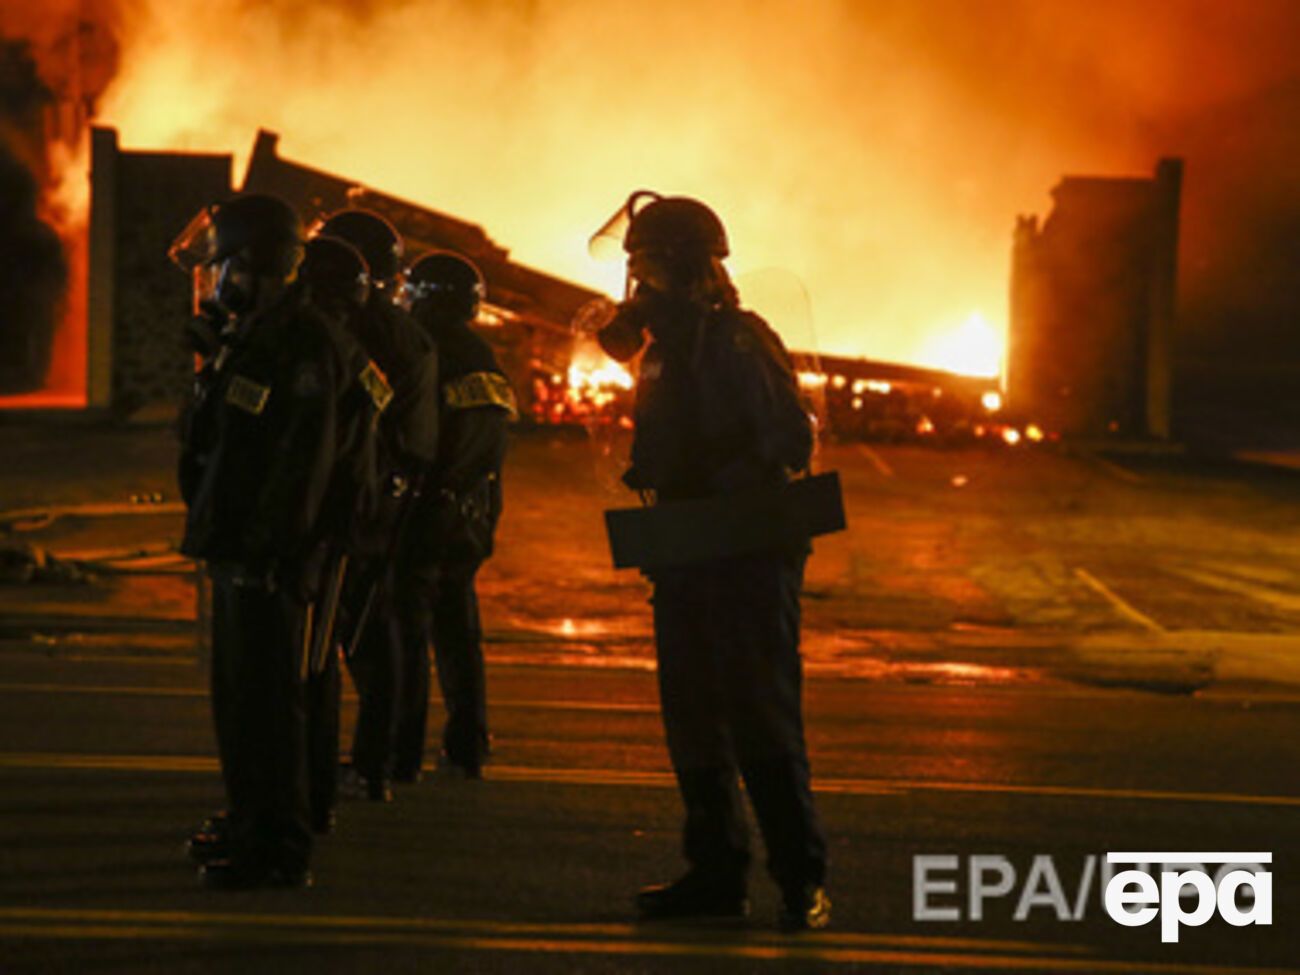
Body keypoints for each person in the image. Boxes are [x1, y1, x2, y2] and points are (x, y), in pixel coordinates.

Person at [595, 194, 830, 931]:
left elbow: (791, 437)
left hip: (744, 558)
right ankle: (716, 872)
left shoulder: (736, 340)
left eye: (650, 267)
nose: (638, 285)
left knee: (760, 719)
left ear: (693, 270)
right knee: (691, 718)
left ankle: (801, 880)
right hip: (686, 554)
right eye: (634, 269)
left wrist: (723, 482)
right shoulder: (665, 349)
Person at [171, 193, 351, 889]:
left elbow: (300, 462)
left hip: (267, 560)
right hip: (234, 548)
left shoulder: (303, 343)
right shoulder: (253, 337)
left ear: (256, 263)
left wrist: (273, 553)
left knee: (270, 710)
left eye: (226, 267)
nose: (219, 283)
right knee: (238, 706)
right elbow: (212, 443)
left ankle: (279, 845)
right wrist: (212, 363)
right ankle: (250, 825)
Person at [314, 208, 439, 800]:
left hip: (366, 496)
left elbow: (360, 415)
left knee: (359, 633)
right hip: (386, 491)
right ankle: (384, 758)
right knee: (380, 628)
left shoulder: (369, 333)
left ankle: (372, 760)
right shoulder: (397, 327)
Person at [401, 251, 515, 778]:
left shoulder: (430, 351)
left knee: (406, 631)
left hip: (430, 510)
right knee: (457, 631)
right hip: (472, 512)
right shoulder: (483, 355)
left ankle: (398, 749)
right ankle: (467, 741)